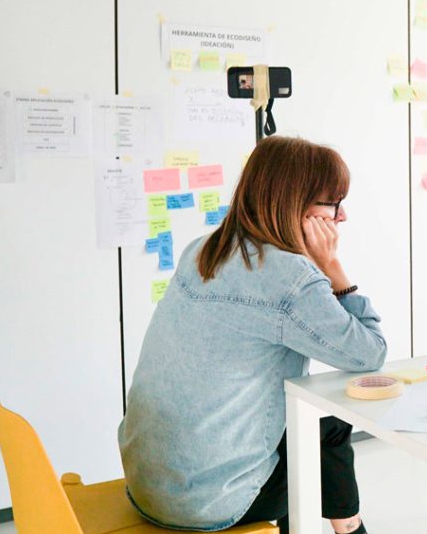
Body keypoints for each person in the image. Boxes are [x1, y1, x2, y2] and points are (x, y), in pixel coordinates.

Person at [119, 136, 386, 534]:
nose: (341, 216)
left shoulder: (202, 249)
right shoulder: (291, 279)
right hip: (212, 502)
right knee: (322, 432)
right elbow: (370, 355)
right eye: (333, 202)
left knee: (316, 428)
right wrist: (333, 267)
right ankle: (351, 528)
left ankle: (351, 528)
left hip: (150, 484)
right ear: (296, 204)